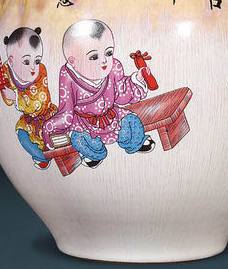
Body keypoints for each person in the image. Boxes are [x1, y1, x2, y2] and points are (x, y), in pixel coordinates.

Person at [42, 19, 155, 169]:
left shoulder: (114, 66)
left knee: (131, 121)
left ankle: (136, 142)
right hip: (84, 123)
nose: (104, 61)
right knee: (79, 138)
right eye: (94, 57)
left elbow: (121, 93)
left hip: (112, 115)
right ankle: (94, 154)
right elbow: (66, 111)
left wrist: (136, 80)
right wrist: (51, 128)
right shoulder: (68, 77)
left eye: (108, 53)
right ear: (73, 61)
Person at [0, 27, 57, 170]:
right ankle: (42, 157)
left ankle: (55, 154)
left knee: (55, 137)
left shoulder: (41, 72)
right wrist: (7, 94)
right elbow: (7, 99)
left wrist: (16, 97)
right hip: (28, 121)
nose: (33, 67)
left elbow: (40, 101)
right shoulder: (6, 70)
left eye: (37, 61)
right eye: (26, 62)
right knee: (22, 134)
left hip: (45, 116)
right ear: (11, 61)